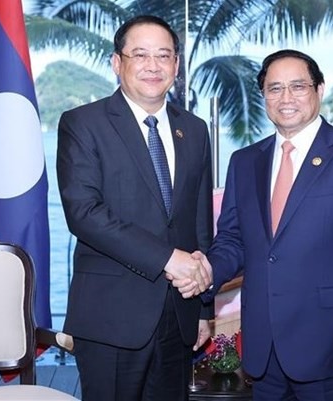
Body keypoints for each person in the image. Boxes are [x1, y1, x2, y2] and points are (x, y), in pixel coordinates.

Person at [195, 49, 333, 400]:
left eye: (298, 86)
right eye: (274, 89)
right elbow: (233, 240)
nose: (286, 98)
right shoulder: (244, 162)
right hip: (263, 350)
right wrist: (204, 275)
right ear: (264, 97)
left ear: (319, 89)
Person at [56, 15, 214, 401]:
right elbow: (84, 213)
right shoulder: (83, 123)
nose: (153, 65)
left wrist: (205, 306)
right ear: (117, 62)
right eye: (140, 54)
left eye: (164, 55)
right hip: (112, 317)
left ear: (177, 65)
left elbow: (199, 220)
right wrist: (167, 259)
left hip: (179, 315)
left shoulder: (193, 129)